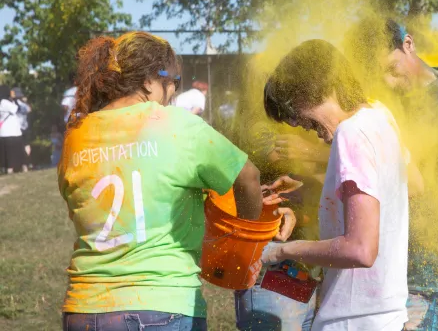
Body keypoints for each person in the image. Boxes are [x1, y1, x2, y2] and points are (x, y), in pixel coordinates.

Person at [58, 32, 292, 331]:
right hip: (162, 306)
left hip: (84, 309)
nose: (173, 94)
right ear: (148, 81)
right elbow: (248, 176)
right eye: (174, 82)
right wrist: (243, 238)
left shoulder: (75, 135)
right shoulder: (175, 125)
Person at [262, 40, 410, 330]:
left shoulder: (350, 133)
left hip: (352, 322)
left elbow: (360, 249)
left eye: (293, 112)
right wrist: (307, 189)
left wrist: (282, 252)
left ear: (313, 89)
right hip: (385, 317)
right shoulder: (381, 119)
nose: (295, 125)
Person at [345, 18, 438, 331]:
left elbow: (418, 178)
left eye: (391, 69)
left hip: (421, 262)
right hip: (384, 259)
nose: (387, 83)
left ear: (408, 45)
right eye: (377, 76)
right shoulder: (389, 98)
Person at [231, 64, 329, 331]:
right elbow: (281, 155)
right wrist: (316, 151)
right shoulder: (258, 126)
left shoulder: (302, 128)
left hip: (307, 267)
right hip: (273, 272)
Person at [0, 85, 26, 174]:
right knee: (11, 156)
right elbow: (16, 109)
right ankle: (10, 171)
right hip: (10, 133)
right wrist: (15, 99)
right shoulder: (4, 102)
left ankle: (19, 169)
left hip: (11, 132)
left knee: (14, 154)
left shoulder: (5, 102)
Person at [13, 87, 32, 169]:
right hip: (25, 127)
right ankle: (27, 162)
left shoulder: (12, 105)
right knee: (26, 145)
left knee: (18, 146)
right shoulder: (24, 104)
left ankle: (21, 164)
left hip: (16, 128)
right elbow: (29, 110)